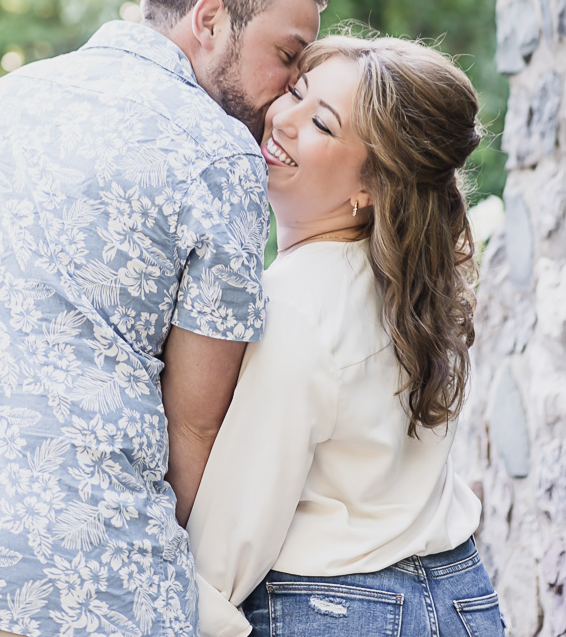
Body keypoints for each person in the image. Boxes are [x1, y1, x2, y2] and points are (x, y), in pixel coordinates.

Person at [0, 0, 328, 637]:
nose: (288, 89)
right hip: (66, 575)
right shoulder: (216, 153)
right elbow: (196, 421)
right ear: (211, 20)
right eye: (286, 56)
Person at [187, 35, 506, 637]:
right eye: (297, 93)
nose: (282, 119)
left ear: (372, 188)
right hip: (465, 600)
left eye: (323, 126)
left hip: (339, 609)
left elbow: (231, 537)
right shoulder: (416, 284)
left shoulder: (296, 304)